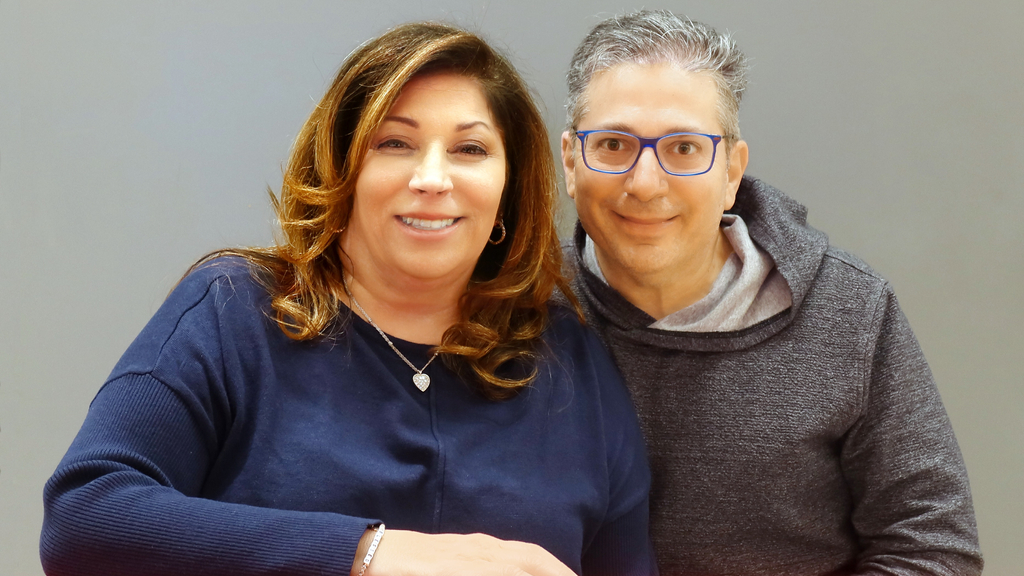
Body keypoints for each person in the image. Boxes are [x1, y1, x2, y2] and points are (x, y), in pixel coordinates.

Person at [41, 22, 656, 576]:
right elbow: (83, 519)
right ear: (344, 167)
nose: (432, 179)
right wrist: (369, 553)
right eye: (395, 143)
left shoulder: (569, 358)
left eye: (470, 149)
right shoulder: (234, 311)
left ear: (507, 188)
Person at [559, 10, 982, 576]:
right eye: (612, 144)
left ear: (732, 171)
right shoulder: (522, 308)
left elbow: (933, 547)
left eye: (684, 148)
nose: (645, 183)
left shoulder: (848, 310)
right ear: (570, 160)